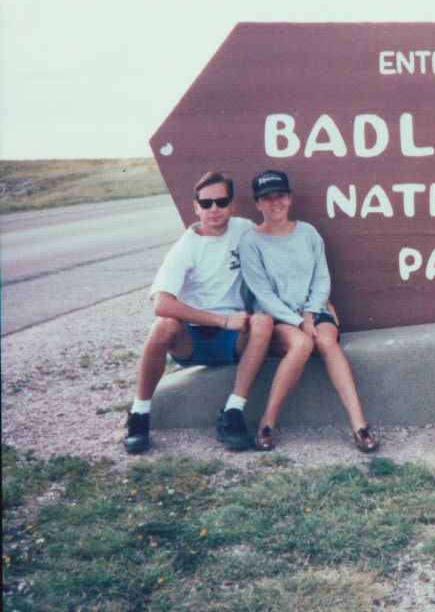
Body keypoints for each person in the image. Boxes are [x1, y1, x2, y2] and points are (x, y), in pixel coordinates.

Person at [123, 171, 275, 453]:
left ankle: (233, 412)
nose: (214, 209)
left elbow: (276, 248)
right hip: (192, 339)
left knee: (264, 322)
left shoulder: (244, 229)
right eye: (206, 204)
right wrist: (222, 320)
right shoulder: (185, 247)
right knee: (163, 325)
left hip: (233, 339)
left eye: (221, 202)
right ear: (196, 207)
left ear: (231, 205)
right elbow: (162, 303)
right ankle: (139, 414)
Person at [238, 169, 380, 452]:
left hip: (313, 311)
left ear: (289, 199)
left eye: (279, 196)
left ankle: (359, 426)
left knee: (326, 341)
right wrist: (297, 321)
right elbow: (262, 293)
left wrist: (310, 314)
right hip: (279, 316)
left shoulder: (308, 233)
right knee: (302, 344)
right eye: (267, 198)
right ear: (257, 203)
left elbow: (321, 278)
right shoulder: (251, 243)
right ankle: (268, 422)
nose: (274, 202)